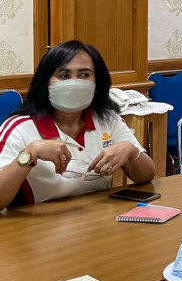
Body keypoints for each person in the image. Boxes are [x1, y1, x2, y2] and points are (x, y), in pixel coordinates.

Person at [0, 40, 157, 209]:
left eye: (84, 75)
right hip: (39, 221)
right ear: (46, 83)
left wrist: (131, 151)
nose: (74, 83)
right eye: (64, 75)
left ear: (97, 83)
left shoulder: (108, 121)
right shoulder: (19, 128)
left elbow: (147, 175)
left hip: (97, 218)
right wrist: (30, 153)